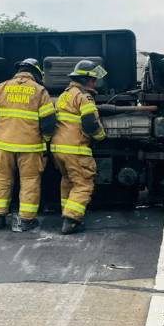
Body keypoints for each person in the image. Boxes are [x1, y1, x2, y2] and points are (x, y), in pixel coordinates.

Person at [0, 58, 57, 231]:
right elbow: (49, 123)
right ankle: (27, 220)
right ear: (36, 74)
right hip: (30, 147)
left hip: (4, 145)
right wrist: (45, 139)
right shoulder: (39, 91)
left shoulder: (1, 87)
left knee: (2, 179)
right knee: (29, 181)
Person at [51, 59, 107, 234]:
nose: (95, 83)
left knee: (68, 181)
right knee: (83, 184)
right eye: (94, 80)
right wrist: (101, 136)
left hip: (58, 149)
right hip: (75, 149)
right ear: (87, 79)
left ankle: (66, 212)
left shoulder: (64, 95)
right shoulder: (84, 97)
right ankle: (71, 220)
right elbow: (90, 123)